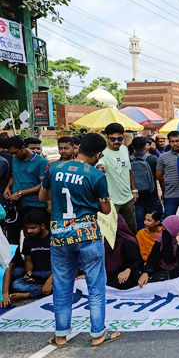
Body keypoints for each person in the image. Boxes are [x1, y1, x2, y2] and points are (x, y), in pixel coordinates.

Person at [39, 133, 119, 347]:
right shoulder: (95, 175)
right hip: (87, 235)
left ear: (78, 147)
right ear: (97, 154)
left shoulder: (54, 168)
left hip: (60, 236)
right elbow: (105, 208)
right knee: (95, 286)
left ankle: (61, 335)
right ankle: (98, 334)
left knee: (62, 286)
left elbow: (41, 197)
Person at [4, 136, 48, 244]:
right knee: (13, 234)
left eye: (15, 152)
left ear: (23, 148)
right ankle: (15, 259)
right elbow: (14, 175)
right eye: (11, 153)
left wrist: (21, 193)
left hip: (35, 204)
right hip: (17, 204)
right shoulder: (15, 160)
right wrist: (7, 188)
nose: (13, 156)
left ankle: (33, 260)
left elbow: (43, 185)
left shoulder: (41, 162)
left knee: (33, 235)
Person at [98, 123, 139, 232]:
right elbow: (99, 167)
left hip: (128, 198)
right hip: (112, 201)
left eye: (119, 138)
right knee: (112, 233)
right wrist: (100, 168)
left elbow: (129, 170)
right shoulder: (102, 153)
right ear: (107, 137)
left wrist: (134, 190)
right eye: (113, 139)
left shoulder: (124, 149)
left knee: (131, 230)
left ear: (123, 137)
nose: (116, 141)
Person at [9, 211, 52, 303]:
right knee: (16, 285)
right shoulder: (28, 240)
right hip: (37, 274)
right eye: (28, 228)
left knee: (66, 282)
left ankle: (30, 294)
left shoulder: (53, 239)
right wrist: (29, 273)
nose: (29, 231)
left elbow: (60, 265)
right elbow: (28, 260)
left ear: (42, 226)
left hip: (52, 273)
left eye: (33, 228)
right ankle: (45, 290)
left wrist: (49, 281)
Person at [138, 216, 179, 287]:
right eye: (163, 227)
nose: (163, 230)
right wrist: (146, 272)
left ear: (175, 228)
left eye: (166, 228)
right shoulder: (162, 236)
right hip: (163, 269)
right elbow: (153, 256)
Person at [130, 136, 163, 230]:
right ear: (146, 146)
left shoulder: (129, 160)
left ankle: (141, 241)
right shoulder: (153, 159)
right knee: (158, 221)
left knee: (140, 224)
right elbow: (159, 177)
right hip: (151, 195)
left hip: (136, 196)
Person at [104, 215, 143, 290]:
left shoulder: (127, 242)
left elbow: (138, 261)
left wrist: (128, 270)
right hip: (109, 274)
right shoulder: (107, 242)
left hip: (125, 273)